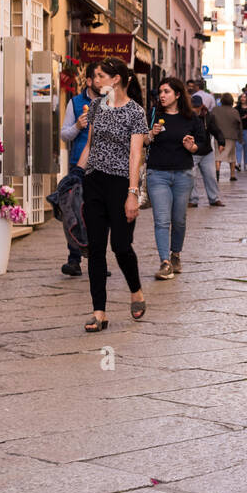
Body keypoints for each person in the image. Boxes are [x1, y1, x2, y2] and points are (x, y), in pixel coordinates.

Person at [76, 57, 149, 333]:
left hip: (120, 184)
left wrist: (133, 193)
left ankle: (136, 291)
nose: (96, 81)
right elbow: (90, 146)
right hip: (94, 181)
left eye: (100, 76)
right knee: (96, 248)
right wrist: (74, 175)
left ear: (115, 78)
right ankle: (99, 312)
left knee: (120, 245)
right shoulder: (96, 106)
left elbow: (135, 155)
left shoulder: (135, 112)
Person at [145, 78, 200, 280]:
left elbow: (201, 145)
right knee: (161, 220)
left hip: (183, 174)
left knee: (179, 220)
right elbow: (142, 141)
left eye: (166, 91)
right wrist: (151, 133)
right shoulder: (154, 114)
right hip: (157, 173)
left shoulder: (190, 118)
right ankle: (164, 262)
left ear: (177, 95)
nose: (162, 95)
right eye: (160, 91)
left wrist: (191, 147)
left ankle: (175, 254)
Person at [59, 62, 105, 275]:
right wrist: (77, 126)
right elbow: (64, 134)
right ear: (88, 81)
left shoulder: (111, 102)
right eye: (98, 76)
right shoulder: (75, 103)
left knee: (100, 215)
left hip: (104, 166)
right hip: (79, 164)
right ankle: (74, 259)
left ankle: (98, 261)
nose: (102, 80)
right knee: (75, 212)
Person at [185, 93, 223, 208]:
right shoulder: (187, 117)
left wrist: (221, 142)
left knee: (210, 176)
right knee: (191, 176)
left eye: (197, 107)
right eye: (193, 107)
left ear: (202, 106)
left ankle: (214, 198)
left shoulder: (208, 117)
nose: (195, 109)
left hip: (206, 151)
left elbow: (216, 130)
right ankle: (193, 199)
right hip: (192, 152)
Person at [211, 93, 242, 181]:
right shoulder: (234, 111)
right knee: (232, 156)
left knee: (218, 155)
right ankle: (232, 175)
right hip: (231, 136)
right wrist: (240, 137)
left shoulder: (215, 110)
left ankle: (217, 173)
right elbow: (239, 124)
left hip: (218, 136)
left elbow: (210, 121)